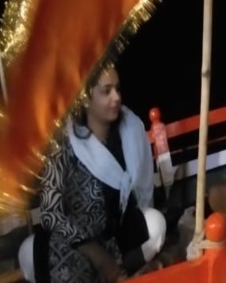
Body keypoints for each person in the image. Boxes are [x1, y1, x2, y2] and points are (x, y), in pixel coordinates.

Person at [18, 66, 166, 283]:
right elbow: (50, 213)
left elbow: (142, 196)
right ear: (85, 99)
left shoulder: (131, 129)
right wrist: (95, 253)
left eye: (117, 89)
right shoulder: (62, 142)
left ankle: (121, 271)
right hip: (75, 243)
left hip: (115, 237)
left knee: (155, 222)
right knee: (28, 252)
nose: (116, 97)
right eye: (106, 91)